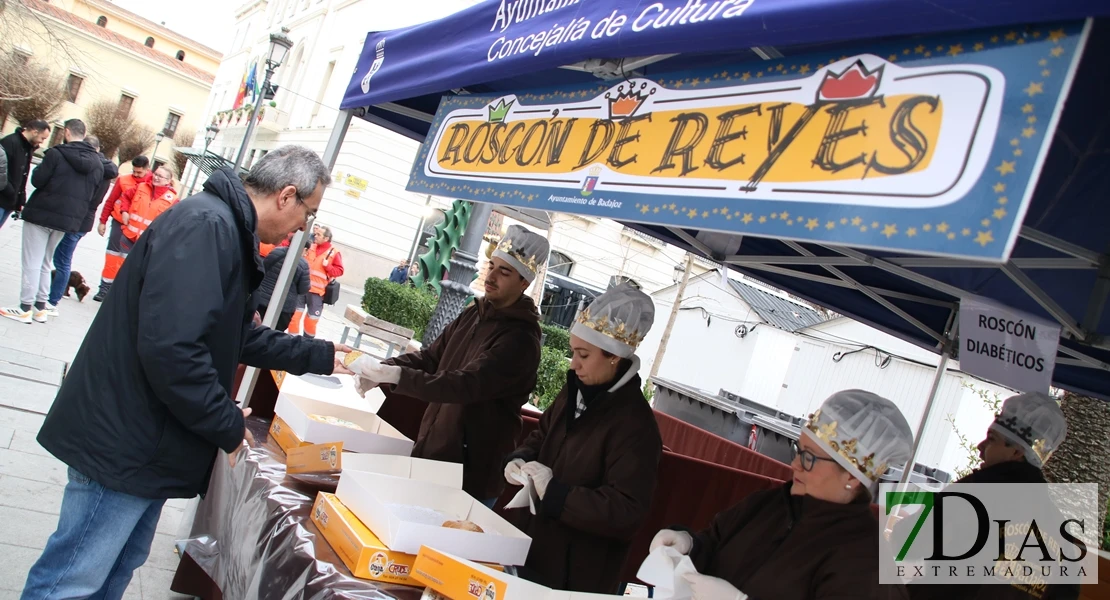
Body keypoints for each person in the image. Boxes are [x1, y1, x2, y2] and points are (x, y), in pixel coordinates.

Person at [21, 145, 353, 600]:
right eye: (308, 213)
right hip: (125, 438)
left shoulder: (224, 229)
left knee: (113, 570)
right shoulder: (207, 226)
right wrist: (227, 423)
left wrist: (319, 354)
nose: (304, 228)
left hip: (145, 440)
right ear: (286, 195)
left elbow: (233, 333)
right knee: (73, 578)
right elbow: (174, 350)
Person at [349, 224, 548, 506]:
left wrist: (397, 376)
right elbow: (431, 358)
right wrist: (382, 369)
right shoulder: (473, 314)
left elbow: (463, 384)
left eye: (504, 272)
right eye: (491, 266)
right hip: (433, 451)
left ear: (524, 283)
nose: (490, 276)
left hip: (470, 472)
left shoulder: (520, 340)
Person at [652, 390, 913, 600]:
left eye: (809, 457)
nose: (796, 464)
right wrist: (688, 544)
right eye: (798, 450)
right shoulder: (771, 503)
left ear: (852, 476)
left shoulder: (865, 562)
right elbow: (715, 542)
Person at [503, 283, 662, 593]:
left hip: (573, 576)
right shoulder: (572, 390)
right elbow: (542, 435)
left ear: (614, 357)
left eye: (583, 355)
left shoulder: (636, 427)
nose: (573, 364)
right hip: (529, 549)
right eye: (573, 352)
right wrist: (519, 459)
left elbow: (625, 512)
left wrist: (556, 492)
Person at [905, 392, 1073, 600]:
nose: (980, 447)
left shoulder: (973, 492)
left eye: (991, 439)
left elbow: (907, 541)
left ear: (1017, 452)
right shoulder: (1059, 528)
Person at [1, 119, 103, 325]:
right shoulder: (98, 164)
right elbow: (93, 196)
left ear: (66, 132)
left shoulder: (56, 154)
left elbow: (37, 180)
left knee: (32, 261)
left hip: (41, 214)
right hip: (68, 220)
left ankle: (25, 307)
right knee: (47, 262)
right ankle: (41, 307)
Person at [46, 136, 118, 314]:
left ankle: (53, 298)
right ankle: (56, 294)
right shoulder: (107, 170)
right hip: (85, 220)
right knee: (63, 258)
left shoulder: (90, 167)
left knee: (61, 259)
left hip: (75, 218)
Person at [94, 156, 151, 302]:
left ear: (147, 169)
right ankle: (104, 288)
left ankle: (118, 291)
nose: (136, 175)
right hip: (119, 223)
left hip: (138, 229)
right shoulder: (124, 179)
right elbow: (111, 200)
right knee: (112, 254)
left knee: (129, 261)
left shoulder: (151, 183)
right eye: (134, 171)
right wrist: (102, 221)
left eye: (139, 172)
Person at [287, 225, 343, 338]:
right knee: (294, 316)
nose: (315, 236)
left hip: (317, 293)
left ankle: (307, 342)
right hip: (302, 288)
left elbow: (339, 271)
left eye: (319, 234)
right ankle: (291, 339)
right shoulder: (310, 247)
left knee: (311, 320)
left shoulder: (334, 252)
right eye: (315, 234)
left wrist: (328, 267)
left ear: (326, 238)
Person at [0, 120, 50, 229]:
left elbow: (23, 175)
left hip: (10, 201)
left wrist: (20, 200)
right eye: (43, 138)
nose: (42, 142)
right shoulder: (9, 142)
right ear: (34, 132)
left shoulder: (28, 148)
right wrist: (11, 191)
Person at [254, 237, 311, 331]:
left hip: (261, 300)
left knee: (254, 329)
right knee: (273, 335)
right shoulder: (303, 264)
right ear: (304, 249)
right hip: (284, 307)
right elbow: (303, 289)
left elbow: (263, 269)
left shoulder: (276, 252)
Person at [120, 165, 178, 242]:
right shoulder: (140, 187)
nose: (156, 177)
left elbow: (173, 222)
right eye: (155, 174)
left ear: (168, 181)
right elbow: (126, 196)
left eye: (160, 176)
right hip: (128, 236)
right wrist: (124, 211)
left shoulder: (173, 200)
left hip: (148, 242)